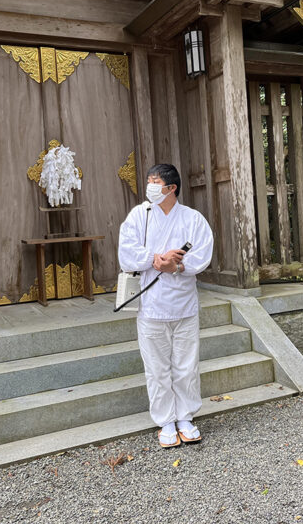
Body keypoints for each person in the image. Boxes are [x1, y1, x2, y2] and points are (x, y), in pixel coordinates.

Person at [118, 164, 214, 448]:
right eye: (149, 181)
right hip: (151, 304)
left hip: (183, 302)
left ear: (172, 188)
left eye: (155, 181)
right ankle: (165, 421)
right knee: (157, 367)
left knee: (186, 364)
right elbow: (126, 250)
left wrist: (178, 264)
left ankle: (185, 417)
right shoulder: (139, 215)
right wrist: (155, 258)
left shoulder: (193, 219)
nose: (150, 186)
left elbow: (203, 252)